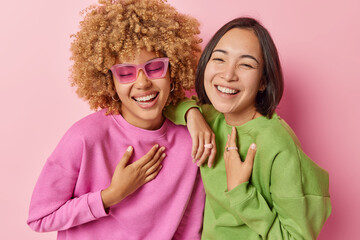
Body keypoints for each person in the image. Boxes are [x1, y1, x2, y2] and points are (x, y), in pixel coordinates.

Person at [27, 0, 205, 239]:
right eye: (125, 72)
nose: (142, 83)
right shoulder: (84, 137)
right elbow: (40, 217)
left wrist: (192, 112)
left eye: (155, 68)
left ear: (173, 71)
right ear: (110, 81)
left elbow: (189, 230)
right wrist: (111, 196)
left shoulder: (191, 141)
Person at [165, 17, 331, 239]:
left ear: (263, 81)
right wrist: (191, 114)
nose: (228, 75)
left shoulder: (276, 144)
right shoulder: (211, 117)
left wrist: (240, 192)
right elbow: (164, 103)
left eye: (246, 64)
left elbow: (296, 237)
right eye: (219, 59)